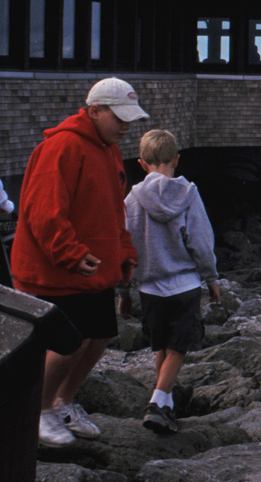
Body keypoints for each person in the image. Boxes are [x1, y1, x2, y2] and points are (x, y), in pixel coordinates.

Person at [10, 77, 147, 447]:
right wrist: (70, 253)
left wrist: (124, 256)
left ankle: (62, 402)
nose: (125, 126)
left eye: (129, 119)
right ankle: (38, 411)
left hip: (94, 269)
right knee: (69, 341)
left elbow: (113, 212)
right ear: (94, 111)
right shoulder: (61, 148)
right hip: (55, 272)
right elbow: (42, 212)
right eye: (118, 118)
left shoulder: (109, 150)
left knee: (100, 335)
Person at [119, 129, 219, 435]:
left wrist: (123, 291)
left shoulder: (131, 200)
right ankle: (157, 402)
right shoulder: (188, 194)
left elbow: (124, 247)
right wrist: (212, 277)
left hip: (150, 288)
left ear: (141, 162)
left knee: (161, 346)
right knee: (179, 348)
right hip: (185, 285)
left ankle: (166, 406)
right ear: (177, 159)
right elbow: (200, 242)